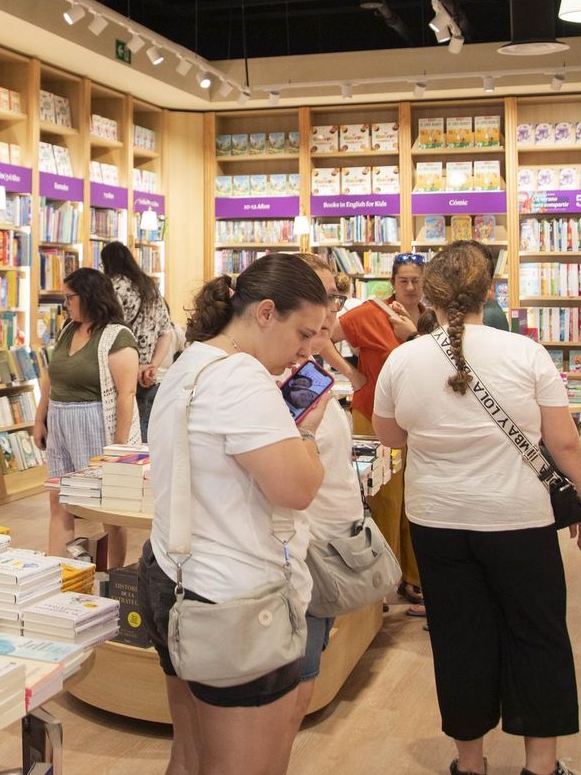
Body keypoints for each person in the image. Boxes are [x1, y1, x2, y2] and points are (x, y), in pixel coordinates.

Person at [372, 243, 581, 775]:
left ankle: (469, 764)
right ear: (490, 293)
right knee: (536, 633)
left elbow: (390, 435)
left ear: (428, 296)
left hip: (437, 521)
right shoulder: (525, 353)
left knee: (458, 638)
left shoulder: (403, 359)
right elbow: (563, 443)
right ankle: (541, 767)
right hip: (518, 519)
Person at [140, 255, 331, 775]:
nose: (307, 351)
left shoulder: (191, 361)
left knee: (191, 751)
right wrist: (307, 432)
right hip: (233, 598)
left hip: (171, 572)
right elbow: (297, 487)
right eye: (303, 332)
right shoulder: (242, 379)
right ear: (266, 312)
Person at [293, 255, 384, 719]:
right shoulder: (281, 379)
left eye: (335, 297)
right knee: (291, 693)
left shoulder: (311, 373)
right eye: (322, 297)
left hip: (327, 551)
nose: (332, 311)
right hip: (302, 557)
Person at [335, 251, 429, 614]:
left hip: (417, 422)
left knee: (413, 499)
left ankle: (414, 577)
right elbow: (326, 335)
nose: (409, 286)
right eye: (403, 280)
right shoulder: (373, 312)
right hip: (374, 416)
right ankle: (383, 582)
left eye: (416, 280)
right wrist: (350, 372)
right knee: (386, 500)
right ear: (392, 282)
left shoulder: (429, 319)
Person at [34, 267, 138, 568]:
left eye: (70, 297)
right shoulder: (68, 330)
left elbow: (125, 395)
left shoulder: (117, 337)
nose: (65, 304)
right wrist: (41, 417)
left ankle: (113, 574)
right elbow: (51, 377)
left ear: (89, 296)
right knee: (59, 500)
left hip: (94, 423)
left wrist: (118, 447)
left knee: (107, 507)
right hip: (61, 421)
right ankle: (56, 570)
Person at [98, 240, 176, 439]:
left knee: (120, 434)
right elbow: (166, 332)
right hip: (147, 377)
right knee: (144, 435)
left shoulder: (111, 287)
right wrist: (152, 365)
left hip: (118, 373)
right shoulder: (150, 287)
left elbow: (103, 330)